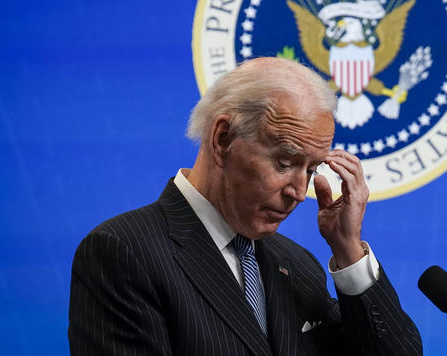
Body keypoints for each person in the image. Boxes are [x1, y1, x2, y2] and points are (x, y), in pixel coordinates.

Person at [68, 57, 422, 355]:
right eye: (284, 162)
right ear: (223, 139)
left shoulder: (297, 265)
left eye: (312, 170)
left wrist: (348, 252)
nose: (299, 192)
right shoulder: (123, 250)